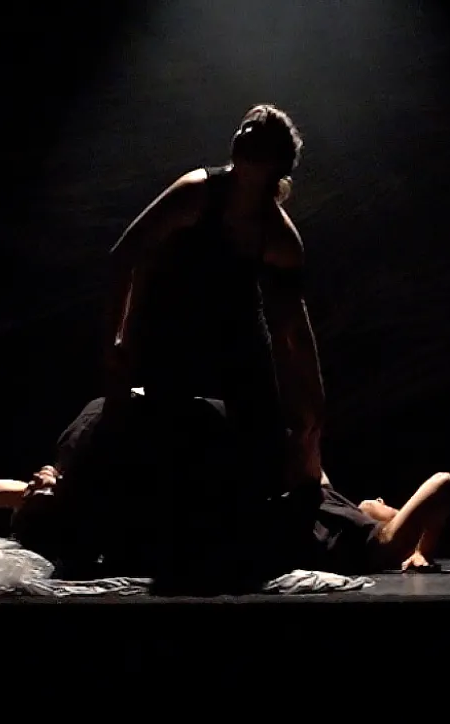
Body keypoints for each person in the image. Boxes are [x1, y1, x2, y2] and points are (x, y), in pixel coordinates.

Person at [96, 105, 328, 588]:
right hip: (174, 329)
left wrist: (313, 405)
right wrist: (116, 339)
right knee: (171, 433)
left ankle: (244, 544)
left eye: (256, 132)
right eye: (242, 125)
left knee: (262, 432)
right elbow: (125, 255)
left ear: (275, 163)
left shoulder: (279, 235)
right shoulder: (197, 192)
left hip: (234, 334)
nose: (241, 133)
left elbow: (293, 327)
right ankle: (160, 543)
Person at [0, 398, 450, 576]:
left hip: (305, 508)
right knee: (364, 512)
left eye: (36, 486)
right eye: (38, 491)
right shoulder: (73, 494)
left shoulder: (59, 476)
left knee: (369, 517)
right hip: (303, 507)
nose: (37, 483)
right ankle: (394, 525)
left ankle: (399, 532)